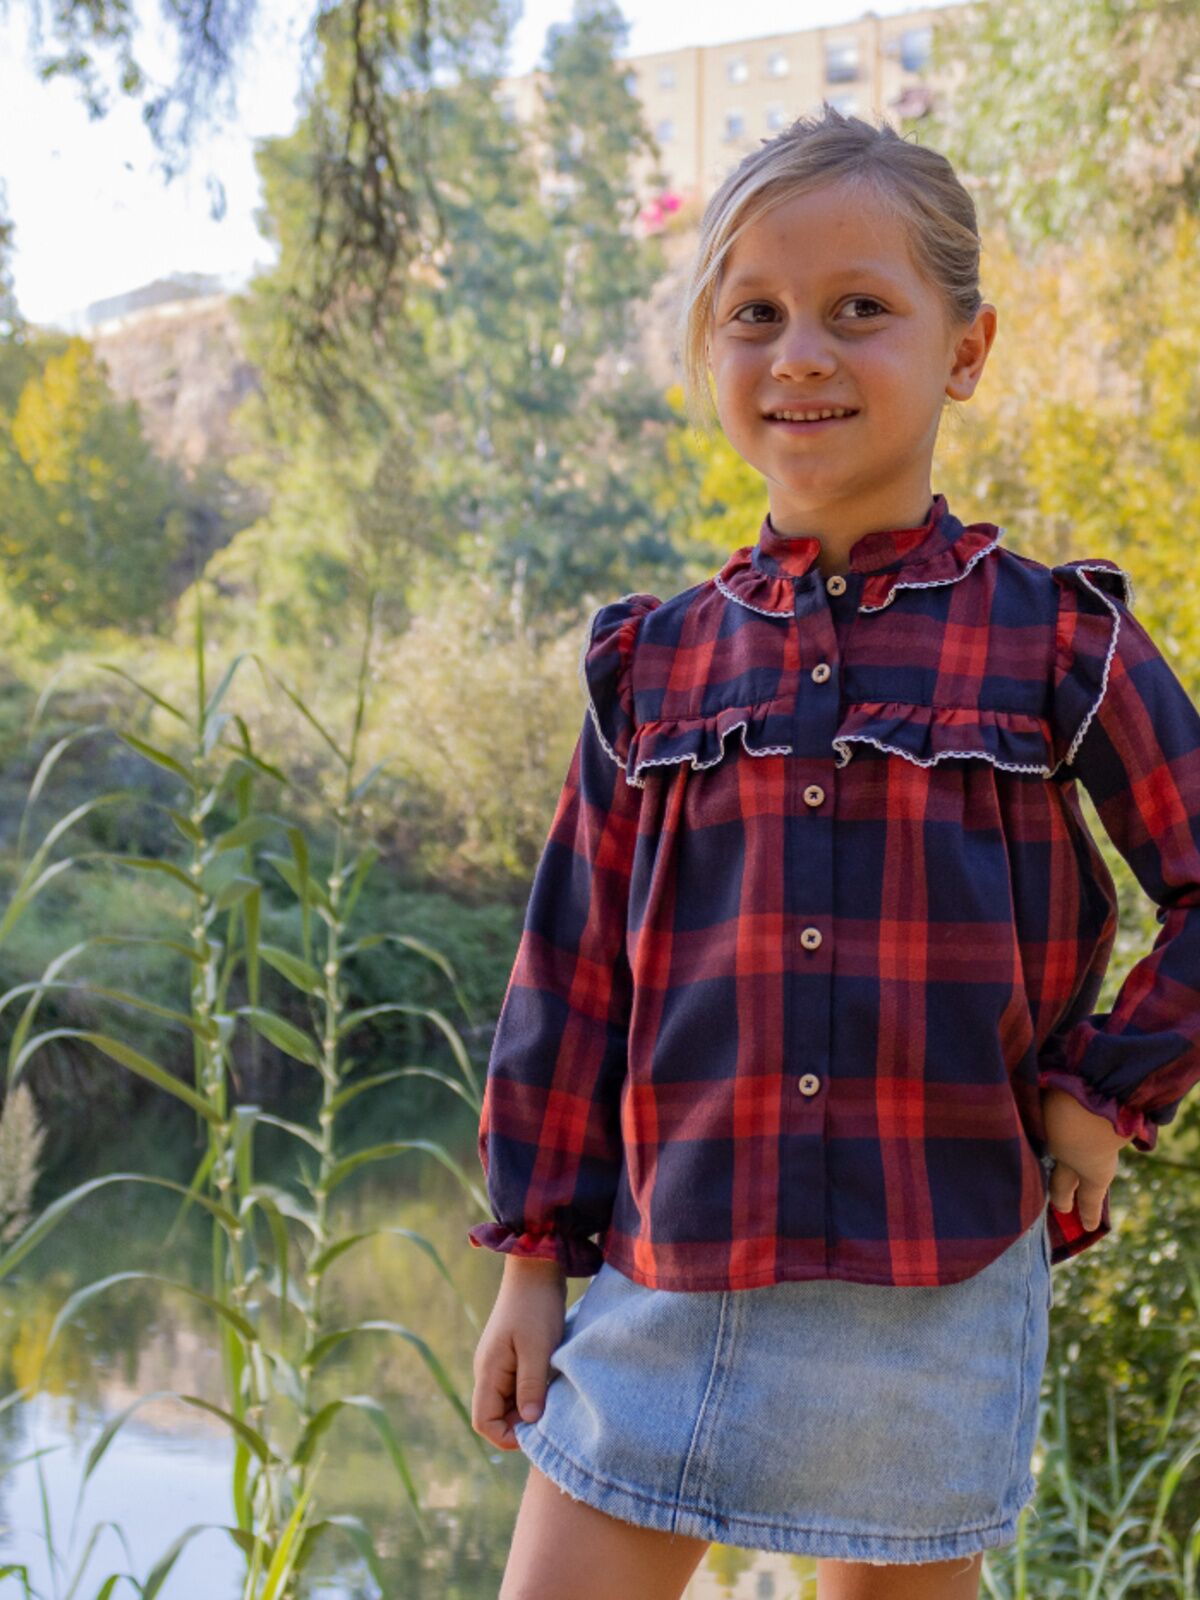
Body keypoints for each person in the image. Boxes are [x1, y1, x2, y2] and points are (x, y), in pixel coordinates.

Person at [466, 103, 1200, 1600]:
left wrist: (1107, 1095)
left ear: (966, 349)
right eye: (755, 314)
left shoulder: (1058, 640)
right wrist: (533, 1259)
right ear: (707, 354)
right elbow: (568, 980)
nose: (800, 353)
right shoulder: (650, 668)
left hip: (927, 1289)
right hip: (665, 1280)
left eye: (860, 310)